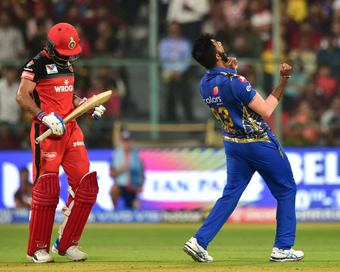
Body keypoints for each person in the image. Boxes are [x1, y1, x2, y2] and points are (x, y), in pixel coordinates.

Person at [182, 33, 304, 263]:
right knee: (286, 189)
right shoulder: (236, 82)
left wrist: (232, 73)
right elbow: (266, 110)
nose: (221, 43)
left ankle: (199, 241)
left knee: (230, 194)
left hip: (233, 144)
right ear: (218, 55)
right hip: (258, 143)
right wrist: (284, 80)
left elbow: (228, 97)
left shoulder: (204, 83)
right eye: (218, 44)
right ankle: (283, 247)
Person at [16, 23, 106, 263]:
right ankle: (37, 248)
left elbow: (68, 96)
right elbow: (21, 95)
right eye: (65, 53)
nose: (69, 58)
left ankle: (66, 244)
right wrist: (42, 115)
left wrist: (85, 106)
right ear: (51, 46)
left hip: (71, 129)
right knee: (47, 190)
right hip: (47, 131)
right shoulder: (36, 64)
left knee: (86, 187)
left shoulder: (67, 62)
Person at [159, 21, 193, 121]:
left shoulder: (185, 43)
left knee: (185, 96)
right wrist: (172, 71)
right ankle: (171, 119)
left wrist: (179, 71)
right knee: (170, 96)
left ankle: (189, 119)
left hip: (182, 73)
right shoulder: (164, 43)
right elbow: (163, 58)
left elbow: (187, 58)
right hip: (169, 73)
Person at [110, 131, 144, 210]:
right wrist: (120, 169)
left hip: (133, 187)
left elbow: (142, 172)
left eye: (128, 141)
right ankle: (115, 211)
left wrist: (141, 185)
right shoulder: (116, 155)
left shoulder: (137, 155)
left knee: (134, 208)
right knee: (113, 190)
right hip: (121, 186)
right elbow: (111, 173)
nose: (126, 144)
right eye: (124, 141)